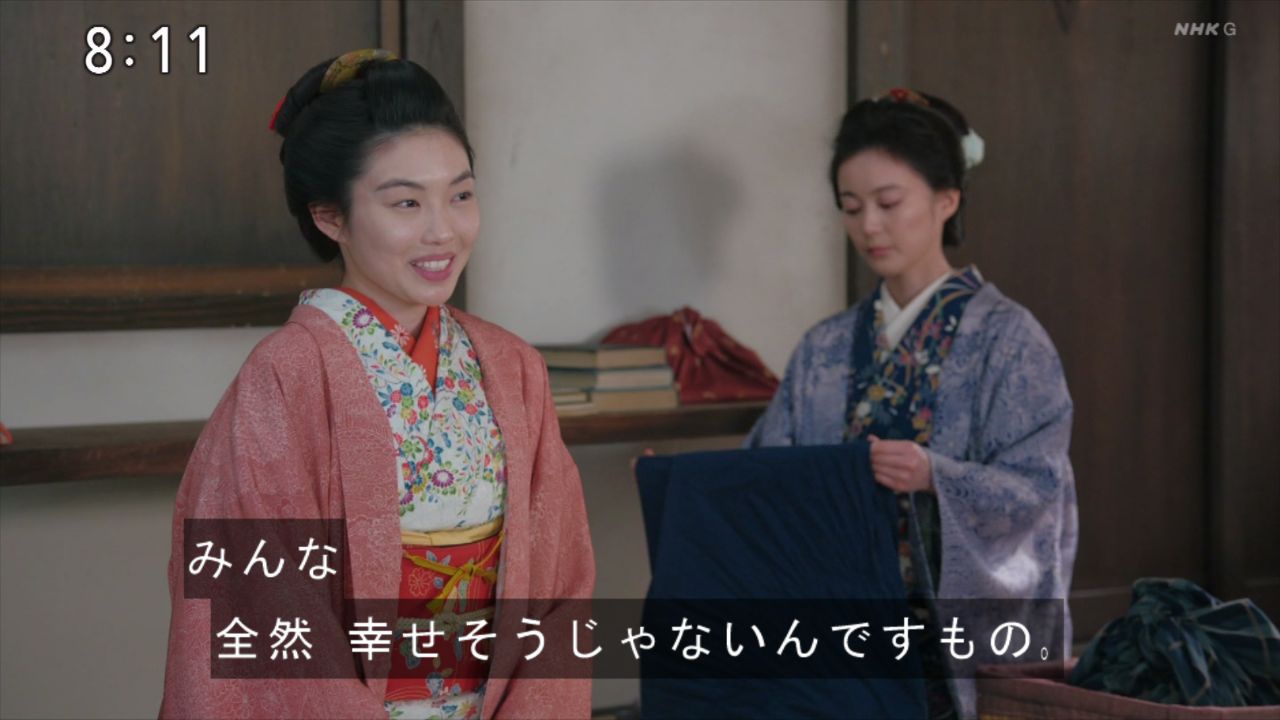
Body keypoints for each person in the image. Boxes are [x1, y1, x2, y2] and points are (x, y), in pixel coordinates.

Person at [160, 50, 594, 720]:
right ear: (330, 216)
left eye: (461, 195)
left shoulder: (512, 368)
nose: (442, 230)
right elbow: (258, 602)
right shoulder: (286, 376)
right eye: (406, 203)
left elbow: (561, 581)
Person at [746, 88, 1078, 719]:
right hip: (839, 640)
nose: (868, 225)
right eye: (851, 207)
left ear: (946, 200)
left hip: (950, 648)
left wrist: (935, 475)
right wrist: (685, 487)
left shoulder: (1010, 340)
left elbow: (1038, 488)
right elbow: (768, 471)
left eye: (888, 203)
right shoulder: (825, 347)